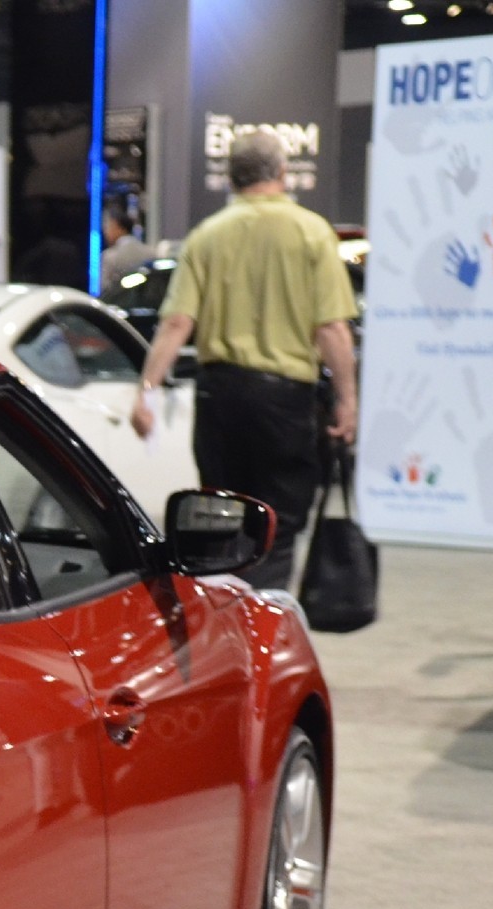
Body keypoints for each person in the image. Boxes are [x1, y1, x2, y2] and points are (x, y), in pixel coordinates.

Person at [129, 128, 357, 591]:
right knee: (281, 520)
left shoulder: (205, 237)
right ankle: (265, 621)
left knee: (221, 515)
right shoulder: (312, 233)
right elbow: (331, 328)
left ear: (231, 178)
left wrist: (145, 391)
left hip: (220, 395)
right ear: (282, 173)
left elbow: (176, 323)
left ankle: (224, 613)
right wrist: (348, 399)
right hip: (284, 401)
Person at [98, 200, 152, 292]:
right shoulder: (150, 252)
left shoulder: (110, 256)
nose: (105, 232)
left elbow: (105, 290)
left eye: (108, 227)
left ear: (118, 227)